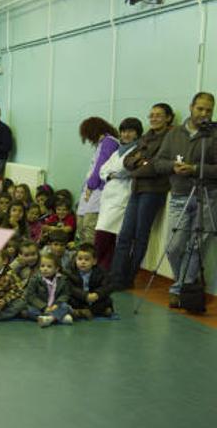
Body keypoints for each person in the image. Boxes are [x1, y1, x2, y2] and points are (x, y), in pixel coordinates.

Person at [151, 92, 217, 306]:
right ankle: (185, 282)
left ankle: (182, 289)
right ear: (191, 107)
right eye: (200, 109)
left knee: (196, 246)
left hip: (207, 196)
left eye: (209, 110)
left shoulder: (214, 135)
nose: (204, 114)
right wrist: (173, 167)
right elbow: (158, 163)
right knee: (173, 246)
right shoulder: (174, 134)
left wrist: (196, 169)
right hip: (179, 194)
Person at [110, 104, 174, 289]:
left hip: (153, 191)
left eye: (159, 115)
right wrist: (139, 162)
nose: (153, 118)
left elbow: (156, 166)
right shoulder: (146, 137)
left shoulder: (170, 138)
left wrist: (138, 165)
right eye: (151, 115)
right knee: (124, 235)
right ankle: (115, 278)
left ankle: (128, 278)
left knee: (139, 236)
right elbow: (127, 161)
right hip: (137, 189)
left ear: (168, 118)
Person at [93, 117, 141, 270]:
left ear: (137, 133)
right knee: (107, 236)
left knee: (104, 235)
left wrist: (111, 174)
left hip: (122, 198)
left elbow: (126, 171)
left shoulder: (137, 150)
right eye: (124, 131)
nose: (126, 134)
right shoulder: (118, 151)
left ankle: (99, 267)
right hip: (108, 198)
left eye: (130, 131)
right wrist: (110, 175)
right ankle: (101, 269)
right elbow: (102, 170)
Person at [75, 117, 121, 245]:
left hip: (98, 189)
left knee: (89, 226)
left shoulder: (109, 142)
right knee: (81, 225)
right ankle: (82, 255)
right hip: (90, 189)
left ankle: (90, 258)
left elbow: (101, 166)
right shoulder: (101, 143)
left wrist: (91, 185)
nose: (88, 139)